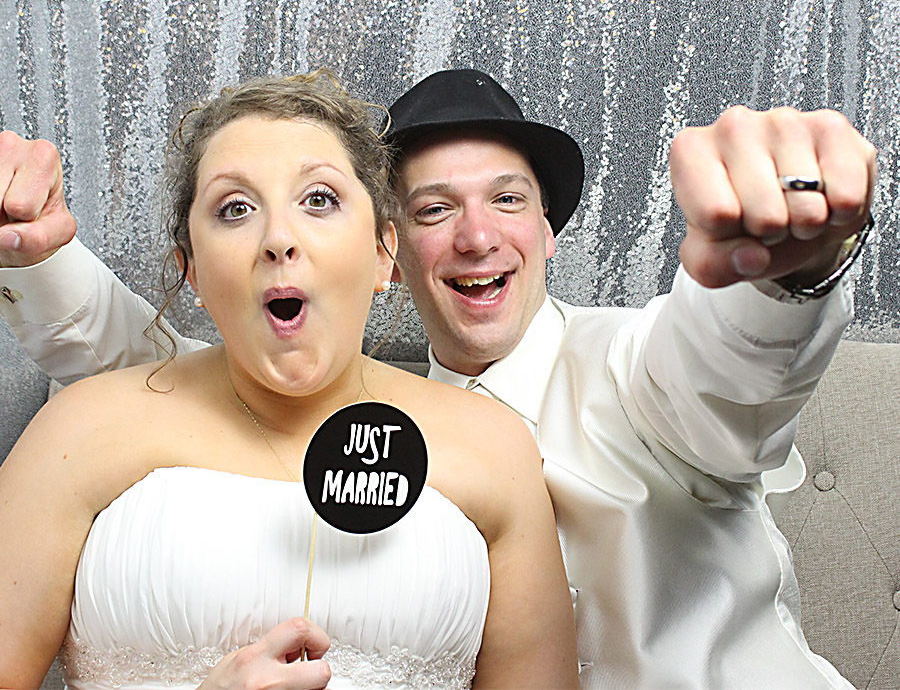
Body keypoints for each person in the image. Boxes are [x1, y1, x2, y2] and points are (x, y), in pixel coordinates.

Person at [0, 69, 875, 689]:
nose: (475, 237)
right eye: (433, 209)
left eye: (507, 199)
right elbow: (163, 379)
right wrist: (40, 254)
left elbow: (726, 374)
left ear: (548, 231)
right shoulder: (314, 398)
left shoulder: (633, 367)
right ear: (396, 250)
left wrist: (779, 273)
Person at [0, 72, 578, 690]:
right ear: (189, 268)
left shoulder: (496, 447)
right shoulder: (76, 431)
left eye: (320, 200)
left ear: (386, 251)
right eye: (236, 209)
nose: (278, 238)